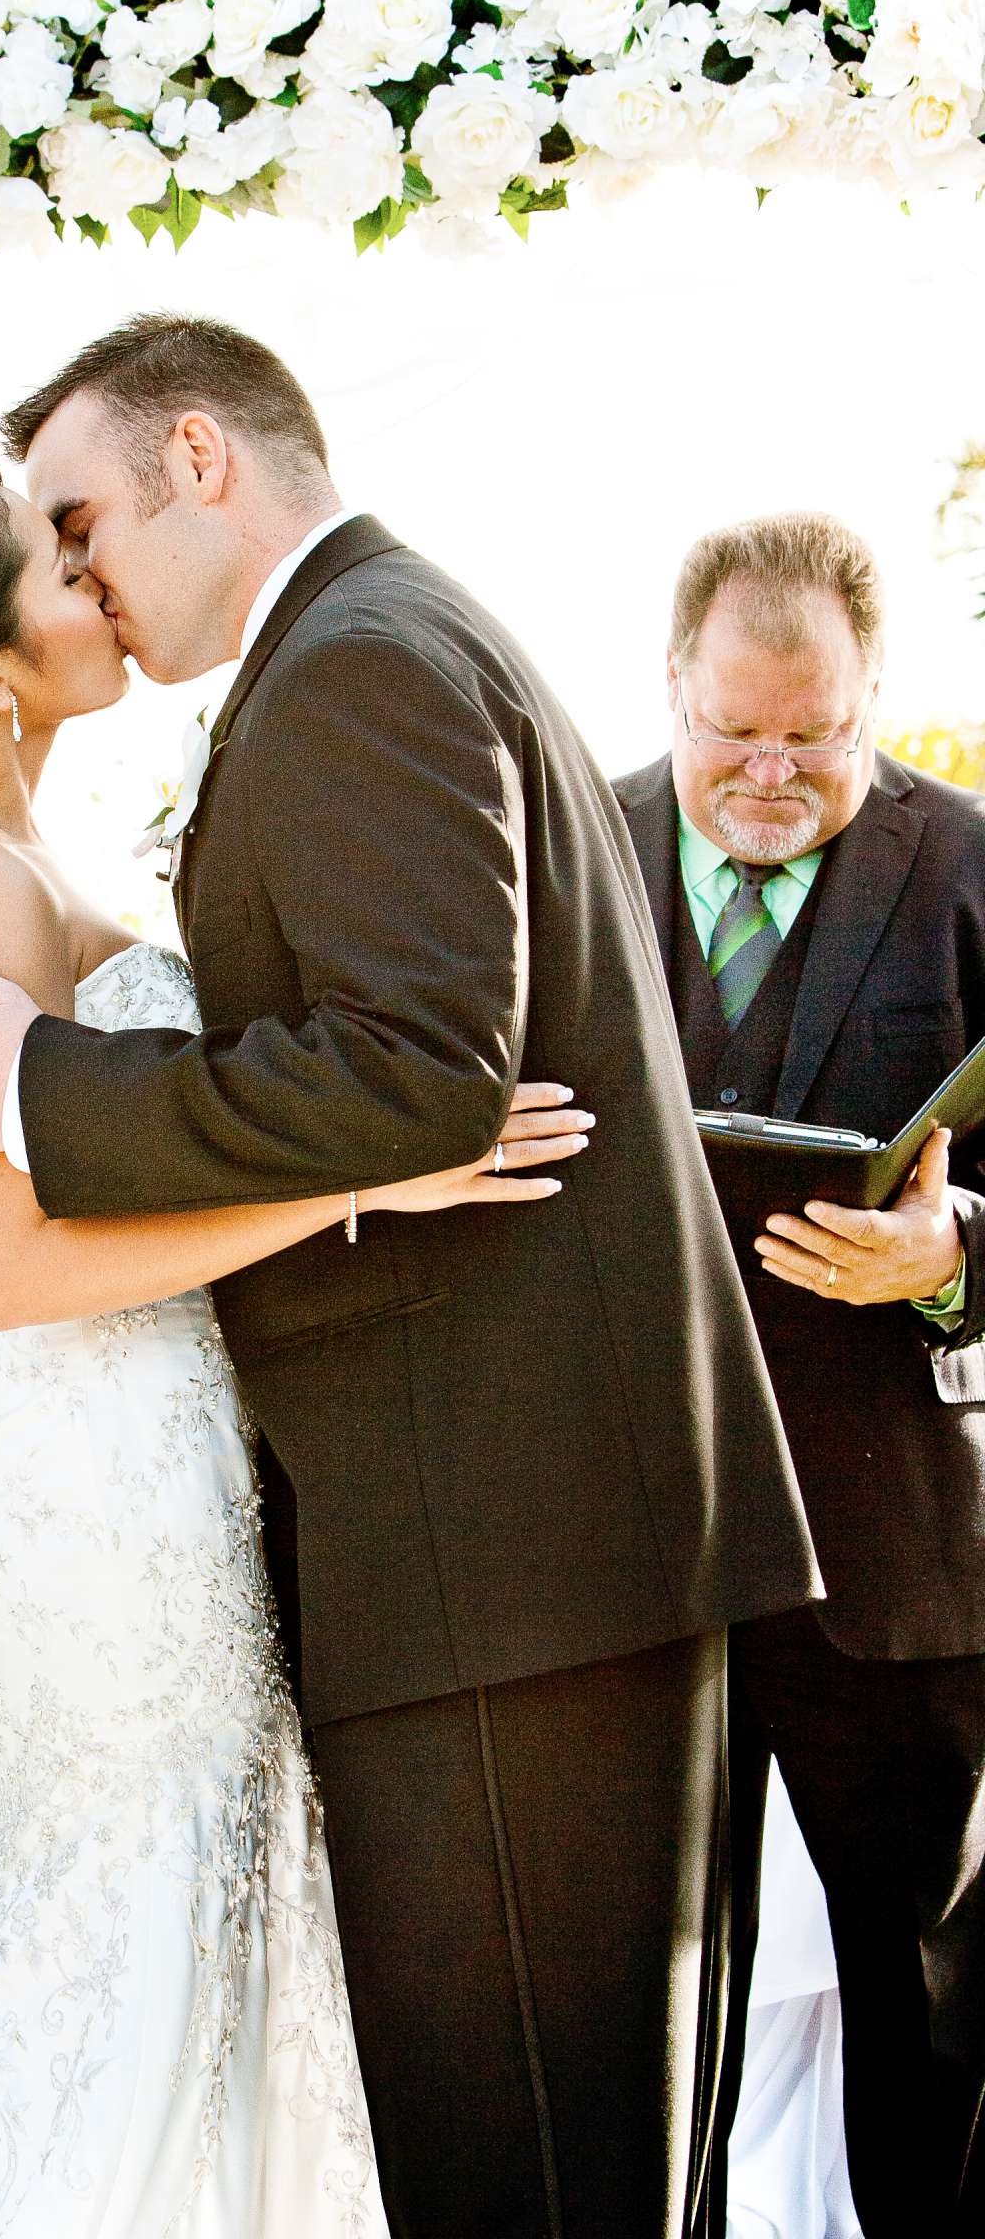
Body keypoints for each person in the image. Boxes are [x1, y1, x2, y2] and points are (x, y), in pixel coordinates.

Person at [0, 314, 822, 2239]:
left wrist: (43, 1085)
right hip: (517, 1550)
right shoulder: (382, 636)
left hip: (498, 1558)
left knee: (532, 2179)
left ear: (200, 458)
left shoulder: (359, 667)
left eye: (83, 521)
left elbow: (416, 1071)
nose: (81, 582)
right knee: (569, 2170)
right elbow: (431, 1083)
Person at [0, 452, 593, 2238]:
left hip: (166, 1463)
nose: (99, 574)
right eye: (57, 564)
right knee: (127, 1929)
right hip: (100, 1506)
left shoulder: (9, 856)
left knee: (188, 1922)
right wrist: (378, 1180)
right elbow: (17, 1272)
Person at [612, 509, 985, 2238]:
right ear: (672, 683)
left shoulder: (973, 868)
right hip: (619, 1555)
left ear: (875, 697)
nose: (768, 768)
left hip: (893, 1564)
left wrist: (956, 1252)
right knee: (622, 2019)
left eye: (813, 735)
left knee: (922, 2007)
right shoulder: (566, 857)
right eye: (730, 729)